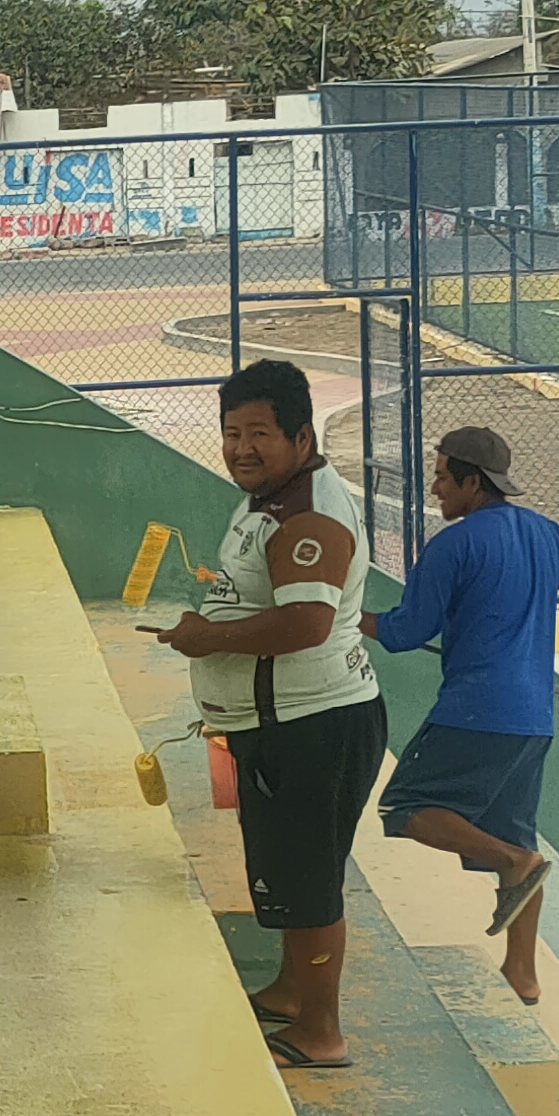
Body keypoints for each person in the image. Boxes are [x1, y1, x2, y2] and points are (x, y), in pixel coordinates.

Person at [156, 356, 385, 1073]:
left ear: (301, 436)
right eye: (231, 433)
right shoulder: (269, 499)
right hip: (280, 725)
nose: (241, 449)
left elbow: (307, 622)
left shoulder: (309, 515)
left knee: (309, 883)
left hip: (313, 727)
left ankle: (321, 1032)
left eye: (259, 434)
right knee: (288, 872)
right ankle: (292, 990)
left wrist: (208, 638)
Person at [369, 424, 559, 1005]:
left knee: (405, 808)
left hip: (472, 713)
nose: (435, 489)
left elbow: (404, 633)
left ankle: (514, 861)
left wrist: (340, 618)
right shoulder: (546, 534)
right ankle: (522, 972)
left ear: (472, 482)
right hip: (532, 720)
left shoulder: (453, 546)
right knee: (514, 830)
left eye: (441, 477)